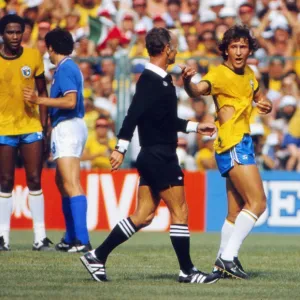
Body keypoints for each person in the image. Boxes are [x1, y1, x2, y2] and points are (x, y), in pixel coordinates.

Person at [80, 27, 218, 284]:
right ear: (166, 49)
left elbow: (166, 120)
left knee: (143, 215)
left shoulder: (163, 79)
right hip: (159, 155)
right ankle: (187, 270)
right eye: (174, 46)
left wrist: (195, 126)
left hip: (153, 154)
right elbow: (132, 115)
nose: (176, 50)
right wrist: (120, 149)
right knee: (181, 212)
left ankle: (97, 256)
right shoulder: (150, 80)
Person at [181, 25, 272, 279]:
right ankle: (227, 258)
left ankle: (219, 264)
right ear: (226, 50)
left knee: (235, 211)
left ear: (249, 49)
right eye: (234, 47)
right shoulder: (219, 74)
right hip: (232, 143)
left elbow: (260, 96)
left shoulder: (251, 74)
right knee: (258, 202)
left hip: (242, 142)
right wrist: (188, 82)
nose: (239, 51)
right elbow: (198, 90)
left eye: (243, 46)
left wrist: (265, 103)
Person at [23, 28, 91, 253]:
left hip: (69, 126)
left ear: (51, 47)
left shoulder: (65, 69)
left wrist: (38, 99)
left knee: (71, 183)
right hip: (68, 127)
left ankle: (82, 240)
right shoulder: (67, 68)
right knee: (62, 183)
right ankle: (70, 237)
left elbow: (70, 101)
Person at [0, 14, 53, 251]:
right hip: (3, 127)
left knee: (34, 179)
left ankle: (40, 237)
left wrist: (44, 126)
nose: (14, 36)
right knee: (6, 181)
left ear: (24, 33)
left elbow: (42, 92)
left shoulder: (33, 56)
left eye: (18, 32)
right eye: (10, 32)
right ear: (2, 34)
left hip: (31, 127)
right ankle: (3, 237)